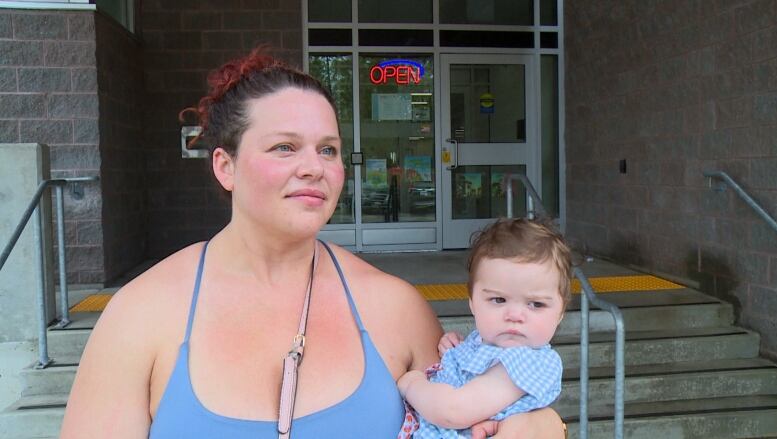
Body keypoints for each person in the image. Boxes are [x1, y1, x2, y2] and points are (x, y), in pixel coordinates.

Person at [60, 47, 565, 439]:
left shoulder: (391, 305)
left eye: (328, 149)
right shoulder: (142, 314)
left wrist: (540, 422)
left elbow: (490, 409)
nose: (314, 167)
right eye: (285, 147)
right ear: (225, 166)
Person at [397, 219, 572, 438]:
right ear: (472, 302)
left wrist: (411, 384)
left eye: (536, 304)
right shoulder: (485, 342)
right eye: (499, 300)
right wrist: (456, 350)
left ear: (561, 312)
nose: (515, 316)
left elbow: (454, 411)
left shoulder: (527, 362)